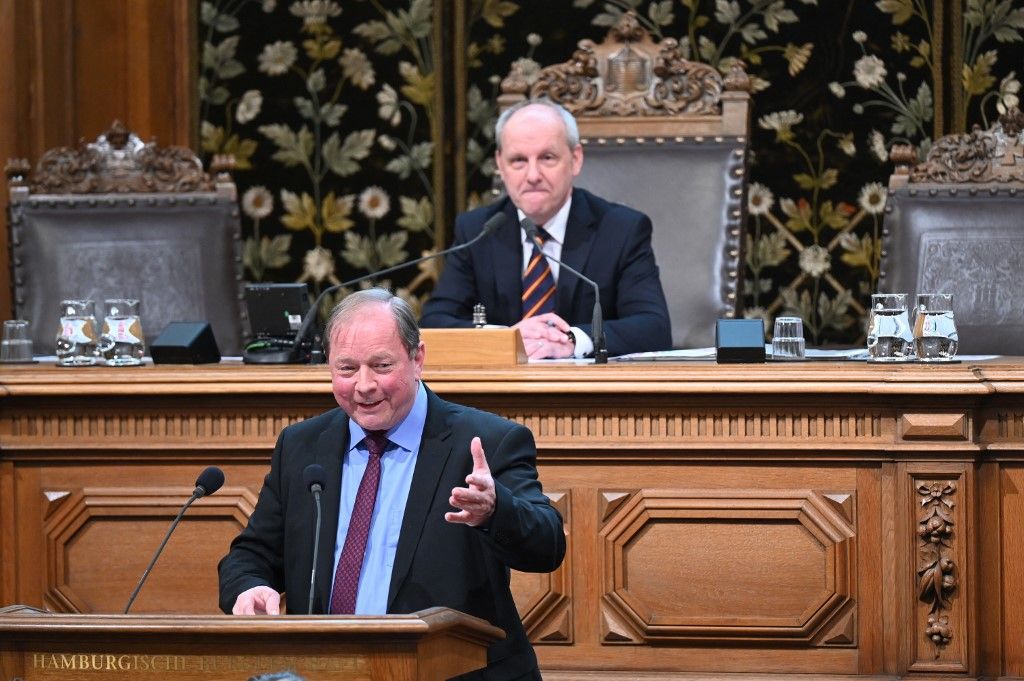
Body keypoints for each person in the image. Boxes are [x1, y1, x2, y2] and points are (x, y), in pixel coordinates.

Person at [219, 288, 565, 681]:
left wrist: (496, 510)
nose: (364, 385)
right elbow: (251, 555)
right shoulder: (301, 447)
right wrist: (249, 587)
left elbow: (548, 546)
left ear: (418, 359)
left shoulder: (486, 442)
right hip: (325, 672)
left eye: (381, 366)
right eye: (346, 369)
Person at [420, 98, 672, 359]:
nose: (532, 176)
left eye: (547, 158)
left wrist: (572, 340)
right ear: (500, 165)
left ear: (575, 159)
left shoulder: (621, 230)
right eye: (518, 160)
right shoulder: (477, 231)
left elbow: (654, 327)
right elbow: (433, 323)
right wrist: (507, 339)